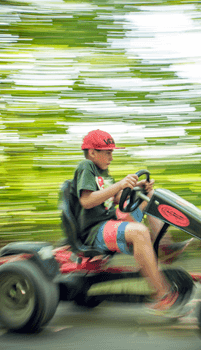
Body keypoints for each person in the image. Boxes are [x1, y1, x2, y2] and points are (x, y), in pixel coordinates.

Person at [68, 129, 192, 315]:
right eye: (107, 152)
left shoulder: (102, 171)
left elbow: (112, 198)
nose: (111, 156)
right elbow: (87, 201)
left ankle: (164, 246)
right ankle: (161, 295)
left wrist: (136, 186)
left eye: (111, 152)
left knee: (151, 195)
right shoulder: (86, 166)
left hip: (109, 220)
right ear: (92, 152)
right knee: (139, 232)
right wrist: (120, 184)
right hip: (94, 231)